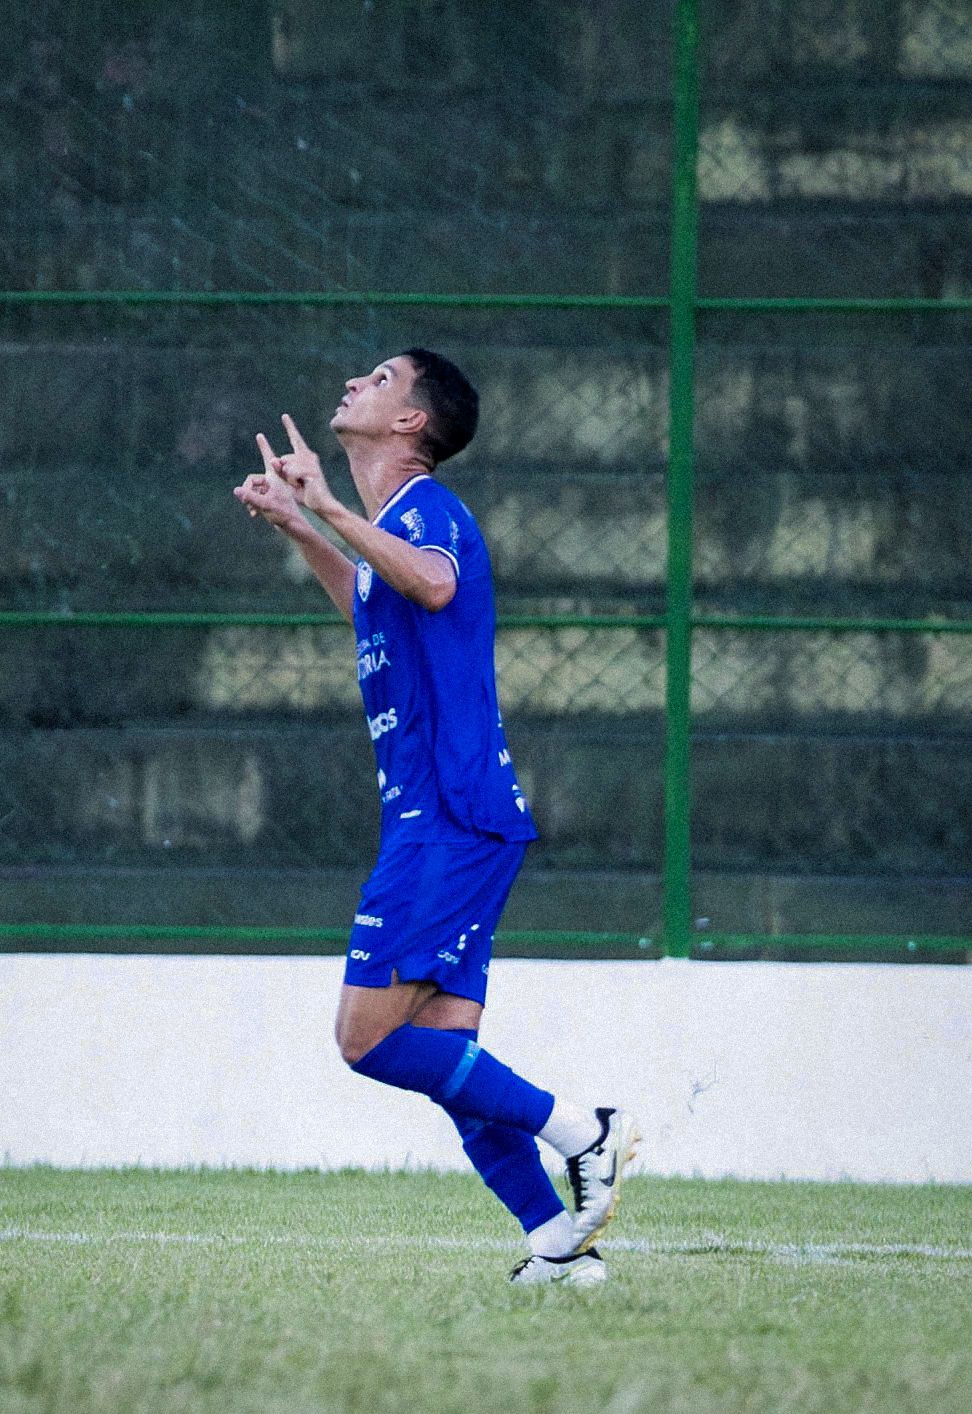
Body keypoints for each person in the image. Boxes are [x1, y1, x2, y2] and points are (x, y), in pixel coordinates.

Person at [234, 348, 639, 1285]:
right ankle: (561, 1251)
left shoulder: (427, 512)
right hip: (451, 821)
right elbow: (372, 603)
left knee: (365, 1041)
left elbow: (434, 582)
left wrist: (329, 507)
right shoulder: (388, 535)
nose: (351, 382)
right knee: (446, 1058)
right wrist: (305, 526)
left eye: (378, 379)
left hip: (447, 821)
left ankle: (585, 1132)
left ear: (412, 422)